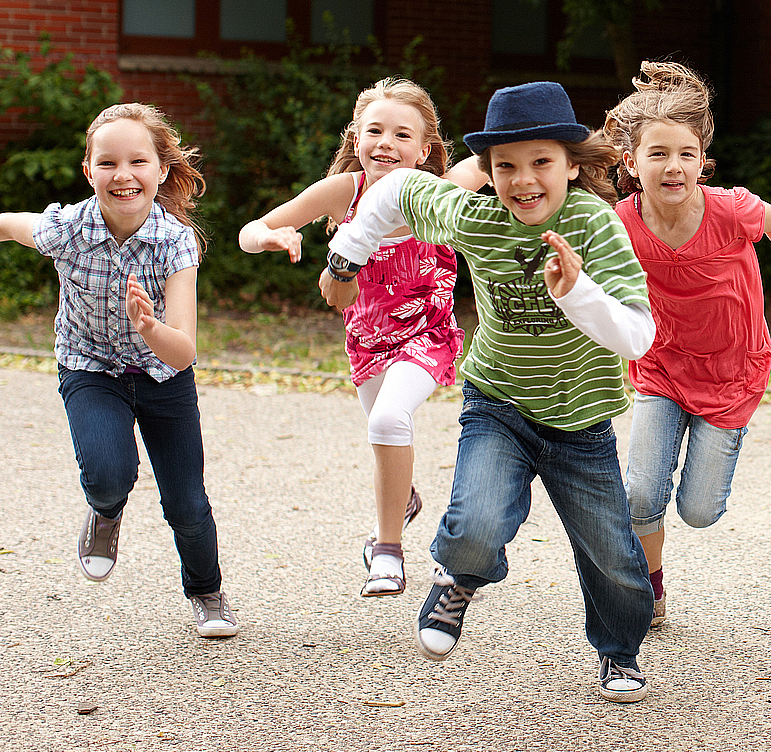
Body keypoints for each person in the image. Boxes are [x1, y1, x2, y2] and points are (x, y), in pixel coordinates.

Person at [324, 80, 658, 703]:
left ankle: (619, 655)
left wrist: (576, 294)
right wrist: (348, 254)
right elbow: (396, 189)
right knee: (476, 524)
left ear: (571, 165)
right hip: (498, 404)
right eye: (505, 166)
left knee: (616, 564)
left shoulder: (595, 226)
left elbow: (638, 338)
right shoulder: (475, 217)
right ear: (488, 171)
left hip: (580, 423)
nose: (524, 180)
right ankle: (458, 577)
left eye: (541, 163)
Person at [238, 77, 484, 598]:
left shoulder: (440, 192)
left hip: (427, 336)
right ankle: (402, 501)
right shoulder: (341, 193)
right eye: (374, 131)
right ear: (355, 138)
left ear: (425, 150)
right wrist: (272, 236)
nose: (385, 144)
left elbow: (498, 156)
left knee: (390, 418)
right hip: (367, 344)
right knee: (385, 432)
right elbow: (249, 231)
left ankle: (386, 548)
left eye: (401, 135)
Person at [0, 103, 239, 637]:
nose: (123, 175)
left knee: (187, 503)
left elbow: (183, 353)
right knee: (110, 476)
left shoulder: (176, 243)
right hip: (90, 369)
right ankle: (105, 514)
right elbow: (8, 225)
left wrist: (150, 327)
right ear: (89, 171)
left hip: (163, 376)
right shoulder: (67, 228)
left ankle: (207, 593)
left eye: (138, 162)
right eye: (108, 163)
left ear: (161, 171)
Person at [601, 61, 771, 628]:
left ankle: (710, 465)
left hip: (731, 372)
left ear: (702, 160)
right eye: (658, 154)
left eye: (686, 154)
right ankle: (651, 586)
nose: (673, 167)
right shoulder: (621, 222)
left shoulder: (729, 209)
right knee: (642, 493)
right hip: (661, 367)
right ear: (631, 163)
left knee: (698, 511)